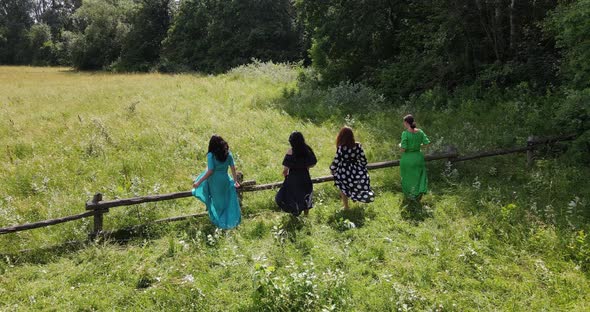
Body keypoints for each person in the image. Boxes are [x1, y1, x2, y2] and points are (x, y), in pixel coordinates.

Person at [192, 135, 241, 229]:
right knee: (225, 201)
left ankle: (221, 222)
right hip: (225, 180)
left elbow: (210, 171)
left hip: (214, 182)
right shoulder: (228, 154)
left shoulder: (211, 155)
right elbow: (233, 168)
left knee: (217, 202)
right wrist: (235, 181)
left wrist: (198, 182)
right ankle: (228, 219)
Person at [330, 126, 375, 209]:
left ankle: (346, 206)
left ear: (342, 136)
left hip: (344, 170)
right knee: (356, 184)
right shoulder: (358, 146)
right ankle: (357, 202)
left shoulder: (341, 148)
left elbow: (336, 160)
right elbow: (363, 159)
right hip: (356, 168)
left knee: (343, 187)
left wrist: (332, 169)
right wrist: (361, 167)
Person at [275, 131, 318, 216]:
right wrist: (306, 167)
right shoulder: (307, 149)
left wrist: (285, 175)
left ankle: (295, 213)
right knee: (306, 195)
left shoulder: (291, 151)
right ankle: (306, 216)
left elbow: (285, 169)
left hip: (293, 178)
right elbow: (313, 162)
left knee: (291, 197)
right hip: (305, 176)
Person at [399, 115, 430, 200]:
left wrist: (400, 145)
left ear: (406, 123)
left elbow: (403, 149)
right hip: (418, 157)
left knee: (408, 177)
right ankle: (418, 195)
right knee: (419, 177)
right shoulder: (420, 132)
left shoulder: (405, 133)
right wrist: (418, 145)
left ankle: (410, 196)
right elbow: (427, 143)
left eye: (404, 122)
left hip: (408, 158)